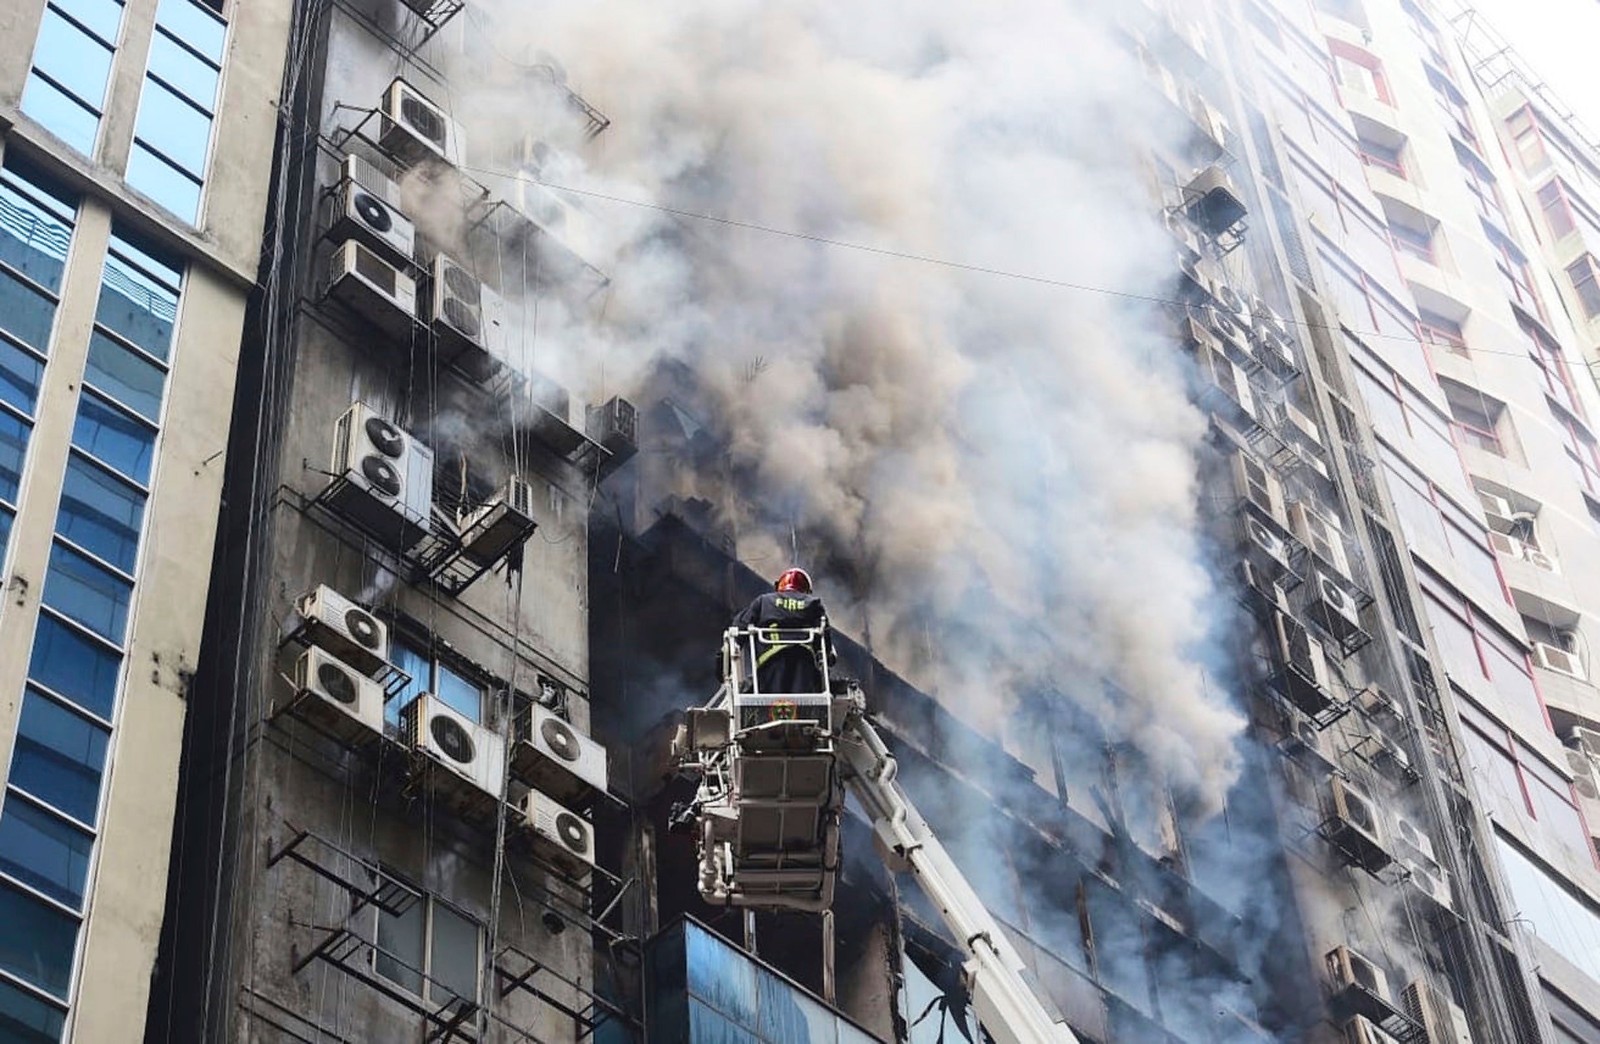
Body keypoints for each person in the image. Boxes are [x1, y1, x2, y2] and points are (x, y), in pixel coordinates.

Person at [731, 567, 834, 694]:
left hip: (770, 669)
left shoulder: (763, 601)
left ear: (779, 586)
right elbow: (824, 636)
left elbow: (739, 627)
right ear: (807, 590)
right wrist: (828, 658)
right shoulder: (814, 603)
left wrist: (724, 663)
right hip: (804, 671)